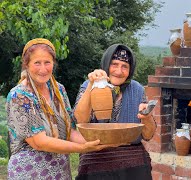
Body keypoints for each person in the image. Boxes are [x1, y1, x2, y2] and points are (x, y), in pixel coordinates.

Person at [6, 38, 109, 180]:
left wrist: (99, 143)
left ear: (53, 63)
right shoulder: (20, 95)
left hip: (59, 170)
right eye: (37, 63)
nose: (43, 69)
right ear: (27, 65)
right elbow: (39, 142)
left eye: (47, 62)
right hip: (29, 172)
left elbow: (69, 131)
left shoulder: (58, 90)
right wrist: (82, 148)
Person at [73, 44, 157, 179]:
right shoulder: (88, 85)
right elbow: (80, 120)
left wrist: (146, 117)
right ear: (106, 64)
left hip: (132, 161)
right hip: (97, 157)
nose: (119, 71)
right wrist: (91, 84)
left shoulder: (137, 89)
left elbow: (148, 135)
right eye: (114, 64)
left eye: (125, 66)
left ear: (130, 70)